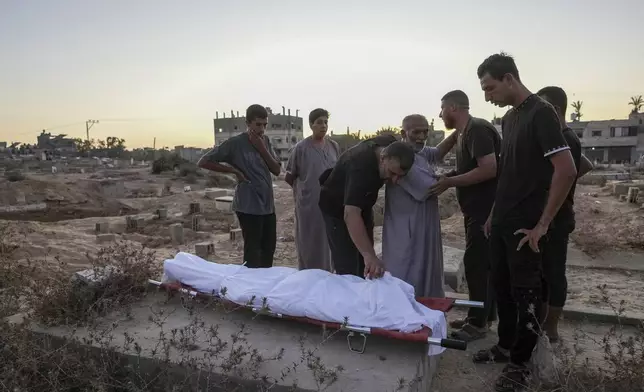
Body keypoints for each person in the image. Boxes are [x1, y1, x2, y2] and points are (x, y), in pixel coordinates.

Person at [473, 53, 578, 392]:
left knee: (526, 296)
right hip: (503, 222)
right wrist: (492, 214)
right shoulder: (510, 119)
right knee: (501, 290)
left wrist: (543, 224)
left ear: (509, 79)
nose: (488, 96)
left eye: (490, 88)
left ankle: (520, 365)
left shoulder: (541, 113)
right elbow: (507, 173)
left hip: (526, 230)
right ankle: (505, 347)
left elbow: (567, 169)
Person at [427, 90, 501, 342]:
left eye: (442, 109)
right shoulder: (464, 133)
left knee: (477, 266)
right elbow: (471, 167)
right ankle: (480, 317)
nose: (439, 114)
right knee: (482, 267)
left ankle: (478, 324)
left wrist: (450, 181)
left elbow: (489, 169)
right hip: (475, 211)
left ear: (454, 107)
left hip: (485, 212)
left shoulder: (477, 130)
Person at [536, 86, 594, 343]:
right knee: (545, 274)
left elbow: (571, 169)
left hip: (557, 219)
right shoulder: (562, 136)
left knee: (554, 274)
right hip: (552, 216)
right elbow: (585, 165)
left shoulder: (565, 137)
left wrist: (560, 189)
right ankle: (543, 323)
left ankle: (551, 329)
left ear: (555, 110)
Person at [381, 114, 459, 298]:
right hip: (406, 227)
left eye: (425, 132)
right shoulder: (400, 158)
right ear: (403, 133)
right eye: (416, 132)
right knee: (408, 272)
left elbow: (436, 153)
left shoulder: (419, 152)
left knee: (426, 268)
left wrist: (456, 134)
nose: (422, 137)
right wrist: (458, 177)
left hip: (424, 225)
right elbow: (429, 188)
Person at [318, 135, 416, 280]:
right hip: (336, 209)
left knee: (365, 256)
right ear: (383, 158)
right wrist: (369, 256)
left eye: (400, 176)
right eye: (392, 173)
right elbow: (350, 214)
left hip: (362, 205)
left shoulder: (391, 145)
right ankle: (349, 294)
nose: (395, 181)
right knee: (349, 265)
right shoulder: (361, 168)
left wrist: (368, 254)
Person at [198, 104, 282, 268]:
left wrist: (262, 148)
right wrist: (233, 170)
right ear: (248, 123)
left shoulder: (265, 141)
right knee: (253, 253)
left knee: (268, 250)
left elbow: (277, 170)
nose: (262, 129)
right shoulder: (236, 143)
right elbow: (204, 161)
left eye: (265, 125)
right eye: (258, 124)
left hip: (267, 205)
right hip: (248, 205)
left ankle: (264, 289)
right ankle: (251, 291)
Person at [285, 108, 340, 271]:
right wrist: (306, 192)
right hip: (309, 206)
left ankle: (327, 275)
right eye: (319, 122)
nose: (323, 126)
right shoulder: (301, 148)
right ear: (311, 125)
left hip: (329, 204)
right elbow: (290, 177)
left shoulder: (333, 146)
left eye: (326, 122)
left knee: (328, 241)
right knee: (309, 241)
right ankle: (308, 276)